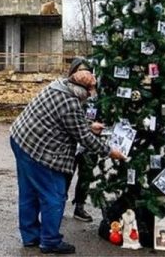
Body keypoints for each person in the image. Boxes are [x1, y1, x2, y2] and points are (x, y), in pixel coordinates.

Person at [10, 68, 125, 254]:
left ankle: (30, 236)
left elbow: (63, 119)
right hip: (37, 150)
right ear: (81, 89)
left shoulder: (58, 86)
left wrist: (89, 125)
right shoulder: (70, 102)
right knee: (54, 195)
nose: (91, 95)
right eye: (90, 91)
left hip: (20, 139)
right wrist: (111, 152)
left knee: (29, 193)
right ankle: (49, 241)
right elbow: (84, 138)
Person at [64, 57, 99, 223]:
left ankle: (79, 206)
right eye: (80, 71)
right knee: (65, 174)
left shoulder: (95, 92)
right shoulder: (68, 90)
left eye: (87, 71)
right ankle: (57, 204)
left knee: (86, 174)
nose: (83, 74)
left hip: (89, 141)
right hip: (70, 140)